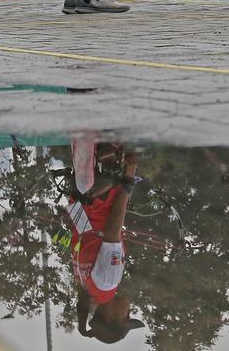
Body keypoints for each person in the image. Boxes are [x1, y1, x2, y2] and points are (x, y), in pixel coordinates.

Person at [66, 139, 144, 343]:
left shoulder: (107, 283)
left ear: (110, 318)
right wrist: (82, 324)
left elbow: (111, 233)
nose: (129, 312)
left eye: (126, 317)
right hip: (81, 195)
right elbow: (82, 305)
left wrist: (129, 178)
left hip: (103, 192)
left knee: (111, 129)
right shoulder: (87, 290)